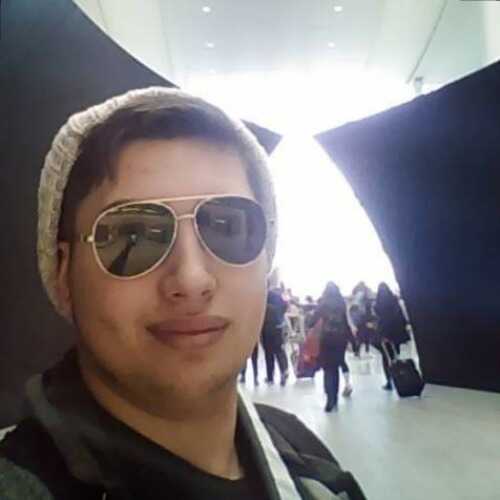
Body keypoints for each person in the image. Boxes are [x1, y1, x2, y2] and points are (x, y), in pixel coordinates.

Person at [0, 88, 367, 499]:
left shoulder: (303, 456)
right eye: (132, 235)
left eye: (228, 228)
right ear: (63, 274)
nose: (192, 279)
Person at [317, 283, 354, 412]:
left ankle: (329, 399)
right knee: (336, 367)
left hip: (326, 339)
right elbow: (346, 322)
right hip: (340, 340)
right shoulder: (341, 303)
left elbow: (312, 320)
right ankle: (335, 399)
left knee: (328, 370)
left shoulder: (323, 303)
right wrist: (352, 340)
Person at [373, 282, 411, 390]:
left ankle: (389, 381)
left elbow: (379, 320)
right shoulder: (395, 301)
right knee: (395, 356)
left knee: (386, 358)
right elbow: (402, 317)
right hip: (397, 333)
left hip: (385, 334)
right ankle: (400, 377)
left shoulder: (378, 304)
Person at [261, 290, 289, 386]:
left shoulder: (262, 295)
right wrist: (280, 316)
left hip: (266, 327)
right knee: (279, 350)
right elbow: (285, 305)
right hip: (278, 326)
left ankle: (270, 377)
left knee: (268, 353)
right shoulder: (278, 296)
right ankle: (284, 371)